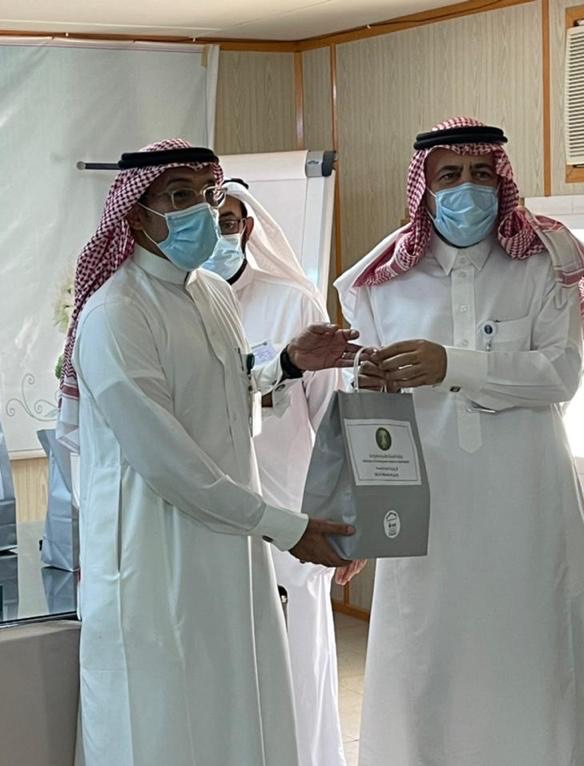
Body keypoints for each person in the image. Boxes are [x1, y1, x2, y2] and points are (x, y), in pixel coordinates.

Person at [338, 117, 584, 765]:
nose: (467, 188)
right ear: (424, 187)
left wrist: (453, 364)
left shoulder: (549, 262)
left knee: (534, 646)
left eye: (481, 173)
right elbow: (372, 407)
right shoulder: (380, 280)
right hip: (430, 508)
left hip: (527, 498)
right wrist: (370, 385)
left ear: (502, 178)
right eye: (449, 175)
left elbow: (559, 375)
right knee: (428, 653)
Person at [57, 138, 361, 766]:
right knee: (163, 723)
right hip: (155, 559)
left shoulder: (212, 294)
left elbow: (221, 390)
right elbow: (166, 459)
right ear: (136, 214)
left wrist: (286, 363)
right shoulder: (115, 313)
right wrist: (286, 527)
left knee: (234, 712)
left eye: (206, 193)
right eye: (178, 196)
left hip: (228, 547)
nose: (200, 209)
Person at [202, 179, 359, 766]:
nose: (218, 234)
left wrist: (350, 518)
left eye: (228, 222)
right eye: (207, 221)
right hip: (211, 517)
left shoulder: (293, 302)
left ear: (248, 227)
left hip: (293, 519)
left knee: (297, 664)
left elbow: (333, 418)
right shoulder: (179, 305)